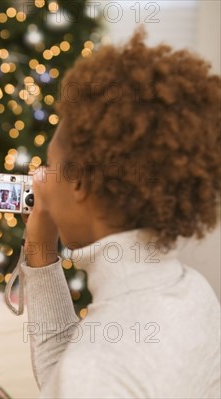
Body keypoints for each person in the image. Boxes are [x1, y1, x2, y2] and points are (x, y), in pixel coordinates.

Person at [20, 30, 220, 398]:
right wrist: (40, 251)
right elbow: (61, 378)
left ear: (79, 182)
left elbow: (80, 378)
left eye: (49, 166)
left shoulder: (95, 371)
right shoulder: (195, 292)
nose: (41, 182)